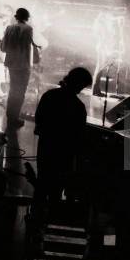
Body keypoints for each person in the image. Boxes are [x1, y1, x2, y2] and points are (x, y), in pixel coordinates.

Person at [34, 67, 93, 208]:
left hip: (46, 145)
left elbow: (39, 120)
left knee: (42, 181)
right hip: (64, 152)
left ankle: (35, 216)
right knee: (57, 185)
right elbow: (79, 135)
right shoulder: (78, 107)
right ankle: (51, 216)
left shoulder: (49, 96)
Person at [1, 8, 40, 128]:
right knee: (20, 92)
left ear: (16, 17)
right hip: (23, 64)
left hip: (12, 64)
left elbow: (3, 47)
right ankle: (15, 118)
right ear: (27, 17)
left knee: (12, 90)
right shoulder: (28, 29)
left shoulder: (9, 28)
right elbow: (27, 47)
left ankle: (10, 117)